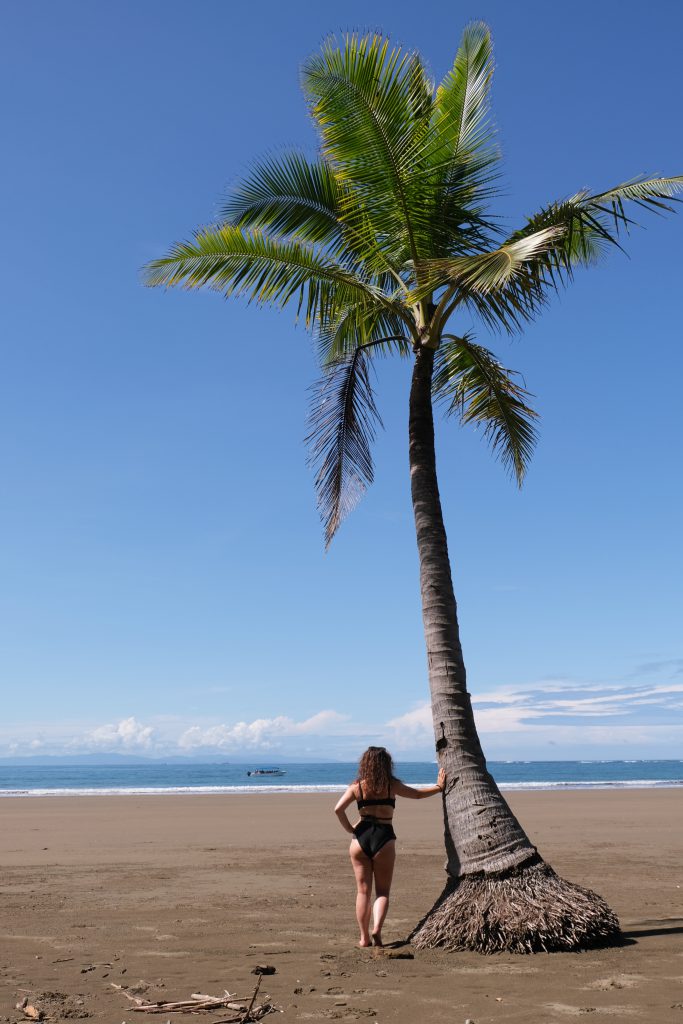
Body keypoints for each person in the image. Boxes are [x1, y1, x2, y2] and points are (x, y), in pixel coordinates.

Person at [334, 746, 446, 947]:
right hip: (384, 838)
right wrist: (438, 787)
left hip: (361, 838)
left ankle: (364, 938)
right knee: (383, 891)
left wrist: (351, 829)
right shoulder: (391, 785)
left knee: (362, 891)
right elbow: (418, 795)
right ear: (387, 764)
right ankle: (377, 929)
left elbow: (338, 809)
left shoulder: (357, 787)